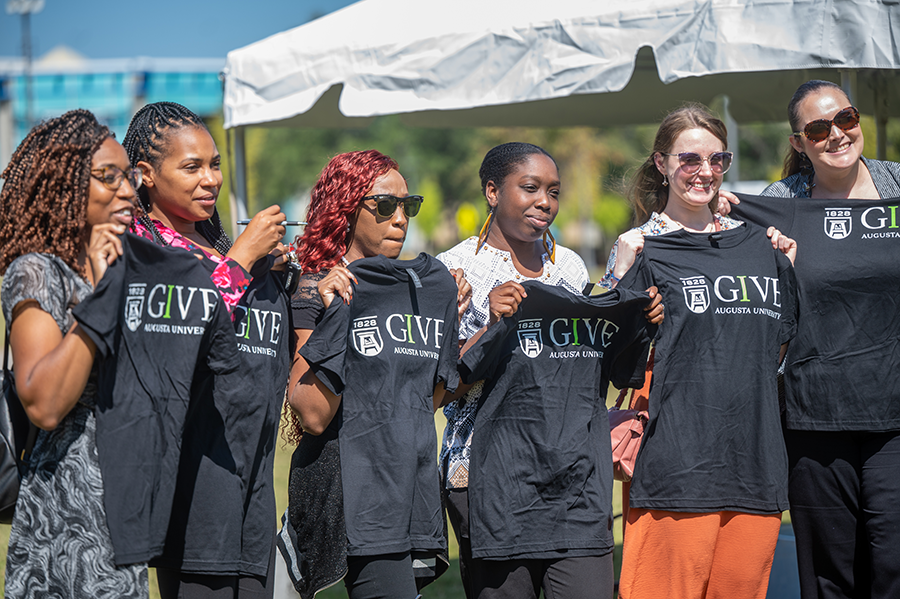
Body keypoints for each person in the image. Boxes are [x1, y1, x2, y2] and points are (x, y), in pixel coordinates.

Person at [437, 142, 663, 599]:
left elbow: (590, 363)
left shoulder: (570, 267)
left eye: (554, 192)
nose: (545, 202)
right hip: (489, 478)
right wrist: (492, 326)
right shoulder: (453, 270)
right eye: (530, 188)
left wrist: (638, 319)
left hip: (573, 475)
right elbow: (440, 386)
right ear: (493, 191)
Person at [601, 104, 799, 599]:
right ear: (662, 163)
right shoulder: (640, 247)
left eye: (717, 159)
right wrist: (619, 280)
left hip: (755, 465)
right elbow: (609, 358)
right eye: (689, 159)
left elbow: (781, 350)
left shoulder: (762, 247)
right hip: (675, 468)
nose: (705, 172)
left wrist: (785, 266)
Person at [283, 149, 470, 599]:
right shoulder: (316, 287)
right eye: (385, 205)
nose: (400, 218)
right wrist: (337, 313)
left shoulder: (419, 288)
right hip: (352, 488)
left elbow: (424, 401)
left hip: (408, 485)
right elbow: (312, 412)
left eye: (409, 205)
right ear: (347, 208)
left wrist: (448, 318)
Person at [123, 101, 289, 599]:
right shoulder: (140, 251)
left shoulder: (222, 250)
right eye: (191, 167)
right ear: (146, 174)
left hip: (253, 478)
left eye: (214, 164)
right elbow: (178, 335)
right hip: (194, 482)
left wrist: (302, 289)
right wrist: (240, 260)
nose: (210, 179)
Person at [753, 80, 900, 599]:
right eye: (818, 128)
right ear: (799, 143)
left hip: (895, 421)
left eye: (846, 118)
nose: (837, 134)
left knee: (893, 565)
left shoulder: (898, 186)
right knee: (829, 576)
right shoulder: (777, 204)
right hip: (813, 417)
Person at [0, 109, 146, 597]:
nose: (128, 190)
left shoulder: (123, 268)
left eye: (131, 176)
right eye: (109, 177)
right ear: (65, 184)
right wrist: (102, 300)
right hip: (64, 525)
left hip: (125, 515)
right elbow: (44, 403)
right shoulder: (37, 272)